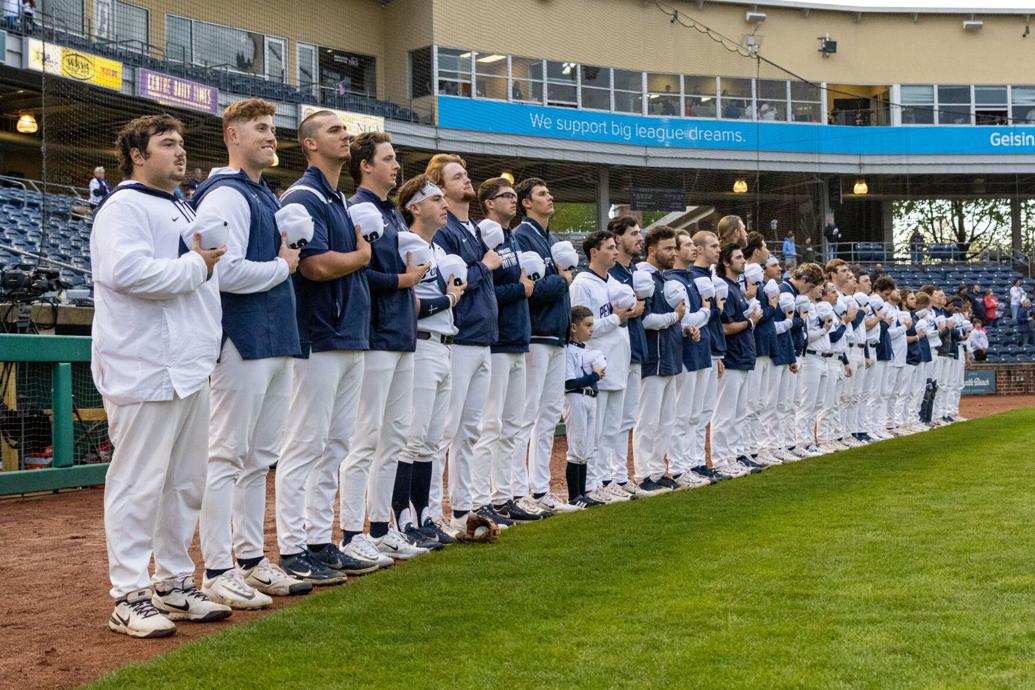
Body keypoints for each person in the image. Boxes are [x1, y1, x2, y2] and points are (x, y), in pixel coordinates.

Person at [92, 114, 228, 638]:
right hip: (144, 364)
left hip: (190, 367)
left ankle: (172, 582)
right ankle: (127, 594)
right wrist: (199, 265)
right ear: (137, 155)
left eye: (182, 144)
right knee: (137, 482)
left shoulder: (180, 204)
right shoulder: (122, 206)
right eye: (167, 144)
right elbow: (125, 273)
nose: (180, 152)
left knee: (184, 483)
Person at [190, 99, 317, 604]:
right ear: (232, 135)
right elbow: (224, 270)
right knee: (226, 455)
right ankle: (217, 569)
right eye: (259, 128)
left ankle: (248, 559)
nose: (270, 136)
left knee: (257, 456)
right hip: (241, 338)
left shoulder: (261, 194)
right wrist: (284, 267)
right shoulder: (226, 195)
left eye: (272, 128)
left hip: (274, 337)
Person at [274, 110, 386, 583]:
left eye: (346, 130)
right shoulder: (305, 194)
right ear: (310, 144)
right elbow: (314, 266)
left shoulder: (334, 197)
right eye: (334, 130)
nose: (345, 136)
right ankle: (292, 546)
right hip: (319, 333)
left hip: (349, 334)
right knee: (305, 442)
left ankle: (320, 540)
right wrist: (362, 256)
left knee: (335, 442)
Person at [340, 131, 429, 561]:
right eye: (388, 159)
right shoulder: (357, 209)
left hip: (400, 335)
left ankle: (380, 526)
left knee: (393, 435)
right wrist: (402, 282)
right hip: (374, 335)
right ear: (366, 166)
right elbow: (359, 274)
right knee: (366, 436)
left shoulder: (391, 214)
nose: (396, 166)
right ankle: (350, 532)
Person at [425, 154, 507, 532]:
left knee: (469, 431)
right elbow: (449, 285)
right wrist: (485, 267)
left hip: (482, 337)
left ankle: (461, 509)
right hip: (458, 337)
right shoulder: (443, 230)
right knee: (444, 430)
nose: (467, 180)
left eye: (466, 174)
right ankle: (430, 513)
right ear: (441, 187)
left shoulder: (473, 228)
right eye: (458, 176)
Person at [392, 174, 466, 546]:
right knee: (412, 437)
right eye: (435, 199)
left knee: (431, 440)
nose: (443, 204)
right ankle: (402, 520)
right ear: (415, 207)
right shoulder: (407, 244)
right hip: (419, 344)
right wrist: (450, 299)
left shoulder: (440, 253)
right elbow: (412, 305)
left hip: (444, 344)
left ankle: (424, 517)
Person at [471, 177, 543, 522]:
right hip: (496, 341)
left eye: (515, 196)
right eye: (506, 196)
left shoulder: (511, 238)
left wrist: (522, 289)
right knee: (490, 424)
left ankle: (505, 495)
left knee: (513, 424)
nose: (513, 201)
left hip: (518, 337)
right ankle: (479, 498)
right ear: (488, 203)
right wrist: (520, 289)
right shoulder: (485, 237)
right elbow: (485, 291)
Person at [512, 177, 579, 514]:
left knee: (550, 415)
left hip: (556, 334)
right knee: (528, 415)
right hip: (537, 333)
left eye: (548, 191)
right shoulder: (522, 236)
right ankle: (518, 490)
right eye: (542, 193)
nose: (550, 196)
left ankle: (540, 491)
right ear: (526, 202)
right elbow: (533, 290)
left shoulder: (550, 238)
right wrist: (563, 279)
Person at [569, 229, 638, 501]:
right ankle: (592, 484)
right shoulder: (582, 283)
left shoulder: (614, 283)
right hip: (596, 364)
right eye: (609, 247)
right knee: (595, 430)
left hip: (618, 362)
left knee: (612, 428)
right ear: (593, 252)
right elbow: (580, 328)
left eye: (615, 247)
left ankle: (607, 479)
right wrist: (616, 319)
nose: (615, 251)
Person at [632, 225, 684, 492]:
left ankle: (656, 469)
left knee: (665, 420)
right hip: (652, 358)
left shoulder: (664, 278)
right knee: (647, 420)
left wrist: (684, 325)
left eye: (674, 247)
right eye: (668, 248)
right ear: (651, 249)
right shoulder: (643, 277)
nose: (673, 253)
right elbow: (646, 320)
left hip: (670, 357)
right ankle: (642, 475)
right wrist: (676, 317)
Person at [662, 229, 712, 487]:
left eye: (694, 244)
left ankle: (693, 462)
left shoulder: (690, 278)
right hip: (685, 352)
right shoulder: (673, 280)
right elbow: (685, 318)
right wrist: (707, 312)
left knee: (696, 414)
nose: (693, 248)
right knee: (682, 414)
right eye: (687, 245)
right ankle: (679, 467)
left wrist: (702, 314)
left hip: (700, 352)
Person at [606, 217, 649, 496]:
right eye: (633, 233)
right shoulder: (611, 272)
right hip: (615, 351)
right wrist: (636, 306)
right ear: (617, 238)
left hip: (635, 349)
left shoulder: (633, 270)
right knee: (612, 419)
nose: (639, 238)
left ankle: (620, 476)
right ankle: (609, 477)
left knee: (627, 418)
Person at [712, 241, 761, 476]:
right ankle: (721, 460)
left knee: (738, 413)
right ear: (726, 261)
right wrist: (751, 321)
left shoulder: (736, 289)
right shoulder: (724, 287)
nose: (744, 260)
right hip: (731, 358)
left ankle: (732, 456)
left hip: (743, 358)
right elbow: (724, 327)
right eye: (739, 257)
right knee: (725, 413)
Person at [563, 305, 606, 506]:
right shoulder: (567, 350)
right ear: (573, 327)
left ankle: (583, 492)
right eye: (587, 325)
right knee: (577, 446)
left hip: (590, 397)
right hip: (575, 397)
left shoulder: (586, 350)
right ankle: (574, 496)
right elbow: (569, 382)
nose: (591, 329)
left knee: (587, 446)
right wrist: (594, 376)